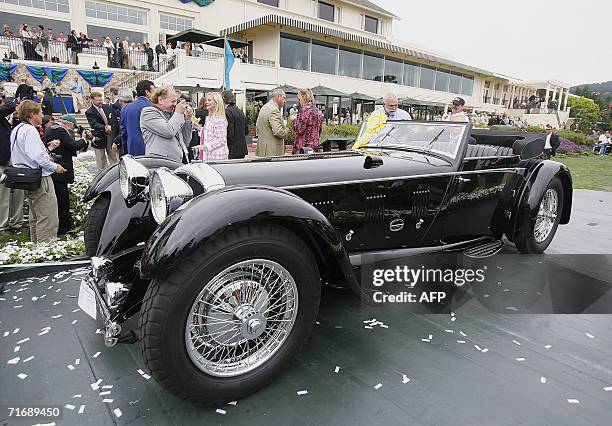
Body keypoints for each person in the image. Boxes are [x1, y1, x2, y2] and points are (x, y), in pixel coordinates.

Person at [10, 100, 65, 243]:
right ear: (31, 114)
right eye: (40, 113)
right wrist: (54, 167)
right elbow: (36, 156)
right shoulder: (29, 130)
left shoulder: (17, 128)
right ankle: (46, 247)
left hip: (27, 176)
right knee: (47, 215)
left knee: (35, 216)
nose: (42, 116)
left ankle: (37, 246)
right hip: (39, 177)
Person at [43, 115, 88, 235]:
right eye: (72, 127)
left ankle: (60, 224)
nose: (72, 130)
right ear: (68, 124)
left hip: (55, 167)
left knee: (58, 198)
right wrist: (83, 139)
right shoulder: (60, 131)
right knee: (62, 199)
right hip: (59, 169)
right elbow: (72, 145)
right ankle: (63, 226)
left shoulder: (51, 129)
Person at [140, 85, 192, 163]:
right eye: (173, 101)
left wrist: (187, 120)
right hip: (159, 163)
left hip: (176, 163)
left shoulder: (174, 115)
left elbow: (185, 141)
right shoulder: (148, 112)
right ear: (160, 100)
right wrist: (178, 112)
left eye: (176, 101)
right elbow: (169, 131)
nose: (175, 104)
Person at [0, 95, 25, 235]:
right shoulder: (5, 110)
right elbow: (9, 106)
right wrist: (12, 100)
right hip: (2, 160)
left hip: (13, 158)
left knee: (18, 192)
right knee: (3, 194)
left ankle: (16, 222)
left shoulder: (8, 118)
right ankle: (3, 225)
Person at [120, 79, 155, 155]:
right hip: (149, 150)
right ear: (147, 92)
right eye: (153, 91)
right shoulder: (152, 107)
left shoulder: (126, 108)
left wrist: (126, 151)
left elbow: (123, 132)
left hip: (131, 149)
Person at [85, 92, 117, 170]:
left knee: (113, 156)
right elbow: (93, 124)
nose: (101, 102)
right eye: (98, 100)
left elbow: (113, 117)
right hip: (98, 137)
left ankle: (116, 171)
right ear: (92, 100)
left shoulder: (107, 107)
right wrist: (105, 127)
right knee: (101, 158)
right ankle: (103, 174)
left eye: (101, 100)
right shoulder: (89, 112)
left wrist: (111, 126)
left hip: (110, 135)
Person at [256, 89, 287, 156]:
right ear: (278, 97)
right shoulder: (274, 110)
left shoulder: (264, 107)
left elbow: (257, 127)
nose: (285, 101)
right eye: (284, 98)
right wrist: (286, 131)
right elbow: (278, 131)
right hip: (272, 151)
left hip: (264, 150)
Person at [291, 88, 323, 154]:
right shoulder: (318, 112)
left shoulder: (304, 111)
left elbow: (299, 129)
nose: (299, 101)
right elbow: (319, 130)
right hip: (314, 146)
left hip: (303, 147)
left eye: (299, 99)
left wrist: (293, 120)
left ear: (303, 97)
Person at [199, 92, 228, 161]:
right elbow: (209, 134)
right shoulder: (210, 118)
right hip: (209, 156)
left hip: (217, 157)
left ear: (216, 103)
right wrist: (199, 128)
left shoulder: (219, 119)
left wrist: (205, 146)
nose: (206, 102)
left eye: (209, 100)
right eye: (206, 100)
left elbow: (221, 140)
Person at [222, 91, 248, 159]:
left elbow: (230, 132)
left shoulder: (227, 111)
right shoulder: (240, 111)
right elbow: (246, 131)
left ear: (223, 99)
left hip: (232, 149)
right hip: (242, 148)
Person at [108, 87, 121, 152]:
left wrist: (115, 141)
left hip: (118, 137)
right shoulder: (114, 104)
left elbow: (116, 124)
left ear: (111, 94)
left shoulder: (116, 105)